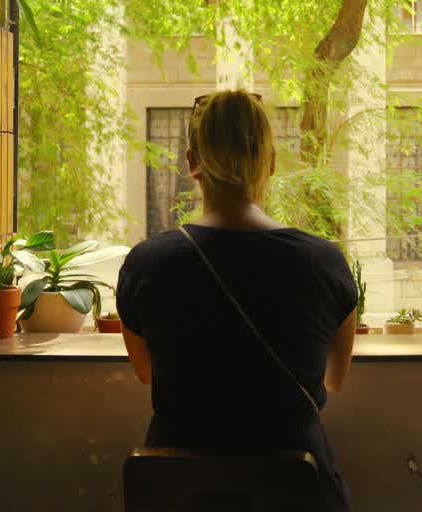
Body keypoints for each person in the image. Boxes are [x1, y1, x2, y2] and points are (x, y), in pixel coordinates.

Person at [117, 90, 358, 512]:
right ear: (271, 163)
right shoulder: (324, 263)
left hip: (180, 493)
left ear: (191, 163)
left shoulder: (147, 265)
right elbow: (333, 378)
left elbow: (146, 372)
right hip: (294, 492)